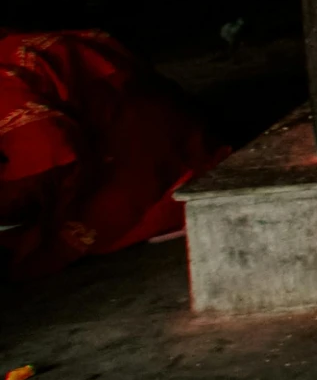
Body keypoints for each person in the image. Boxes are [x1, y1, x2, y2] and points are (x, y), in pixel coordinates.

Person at [0, 29, 227, 279]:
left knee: (32, 254)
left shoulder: (7, 82)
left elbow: (50, 152)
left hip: (137, 155)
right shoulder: (17, 50)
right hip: (167, 127)